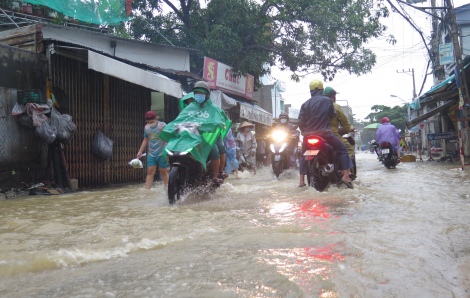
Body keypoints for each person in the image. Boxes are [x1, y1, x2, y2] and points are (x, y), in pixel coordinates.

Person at [298, 80, 354, 189]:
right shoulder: (328, 101)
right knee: (342, 149)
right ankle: (346, 176)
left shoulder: (305, 104)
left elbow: (300, 122)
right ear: (322, 90)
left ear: (310, 91)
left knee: (303, 155)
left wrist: (306, 132)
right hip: (325, 134)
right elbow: (331, 114)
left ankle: (301, 181)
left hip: (308, 136)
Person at [137, 111, 169, 189]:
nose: (150, 124)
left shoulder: (163, 126)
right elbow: (145, 140)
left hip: (162, 153)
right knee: (150, 172)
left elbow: (168, 138)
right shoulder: (146, 127)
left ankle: (168, 188)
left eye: (152, 122)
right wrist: (140, 151)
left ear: (156, 119)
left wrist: (168, 151)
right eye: (148, 122)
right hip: (151, 153)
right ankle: (147, 190)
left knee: (163, 172)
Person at [323, 87, 355, 158]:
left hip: (314, 134)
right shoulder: (336, 106)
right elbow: (345, 123)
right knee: (349, 149)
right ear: (332, 97)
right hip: (331, 135)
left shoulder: (316, 106)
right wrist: (349, 128)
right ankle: (345, 169)